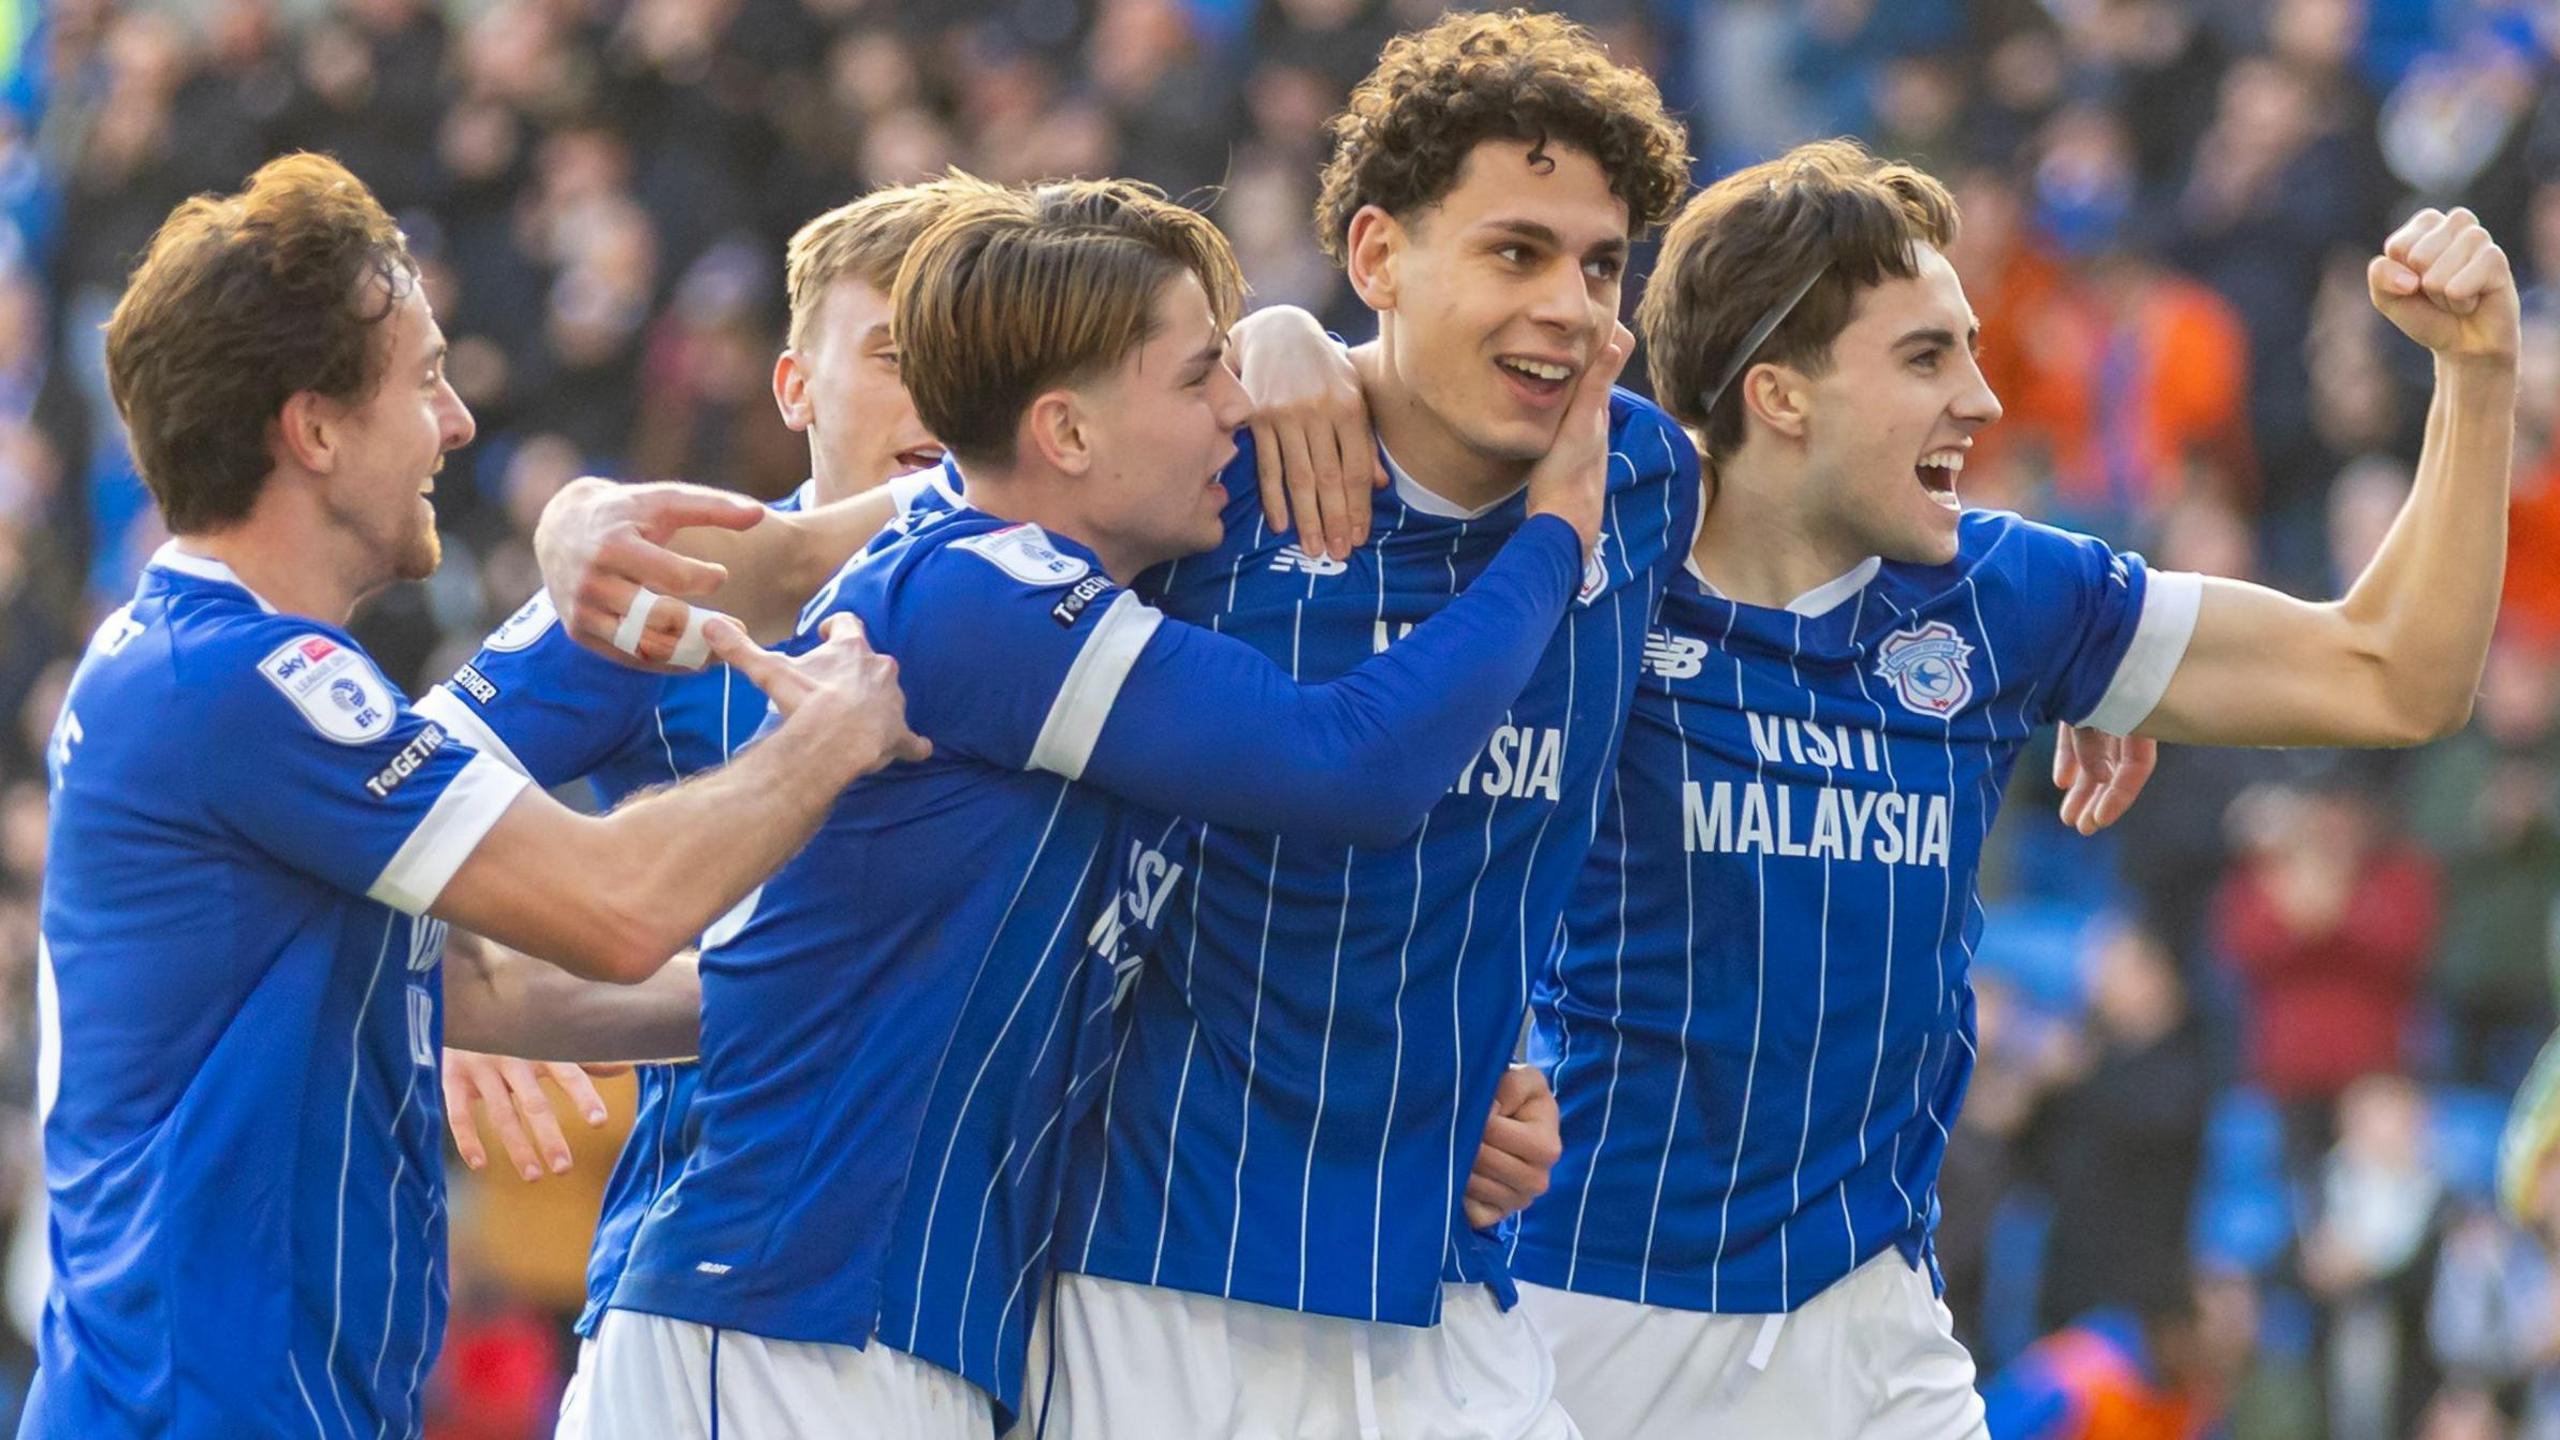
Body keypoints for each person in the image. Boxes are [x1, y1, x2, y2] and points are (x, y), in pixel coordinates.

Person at [534, 15, 1697, 1435]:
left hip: (1380, 1283)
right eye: (1519, 252)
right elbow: (1349, 763)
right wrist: (575, 525)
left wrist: (1477, 1053)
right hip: (1025, 1290)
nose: (1573, 305)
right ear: (1380, 257)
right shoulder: (1107, 540)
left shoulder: (1633, 478)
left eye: (1604, 264)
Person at [1513, 139, 2516, 1438]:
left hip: (1873, 1328)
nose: (1984, 400)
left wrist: (2477, 373)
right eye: (1927, 357)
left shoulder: (2003, 596)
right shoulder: (1586, 561)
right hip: (1590, 1319)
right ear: (1779, 394)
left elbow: (2395, 677)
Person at [25, 153, 928, 1438]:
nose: (455, 423)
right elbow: (617, 906)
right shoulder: (246, 683)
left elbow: (495, 988)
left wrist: (845, 996)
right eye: (426, 378)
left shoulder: (196, 664)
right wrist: (826, 735)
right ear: (315, 428)